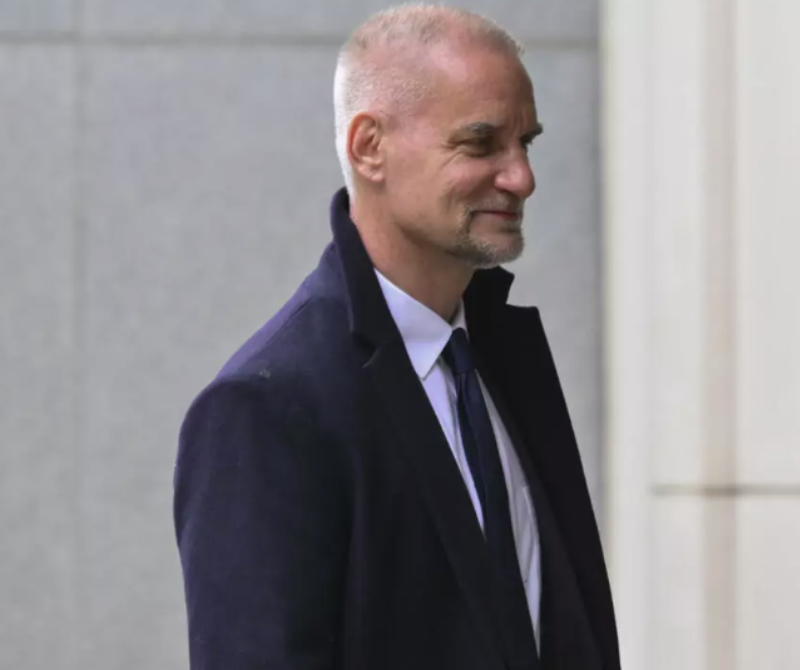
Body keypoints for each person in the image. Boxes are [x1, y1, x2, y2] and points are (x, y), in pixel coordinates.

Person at [173, 5, 619, 669]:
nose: (522, 177)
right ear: (369, 148)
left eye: (525, 143)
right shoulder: (266, 411)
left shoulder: (501, 359)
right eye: (480, 143)